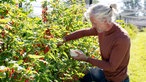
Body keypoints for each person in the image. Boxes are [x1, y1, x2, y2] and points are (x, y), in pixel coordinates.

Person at [58, 3, 131, 82]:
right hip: (105, 74)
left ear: (105, 20)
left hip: (117, 80)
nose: (93, 26)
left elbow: (111, 67)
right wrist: (64, 39)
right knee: (82, 75)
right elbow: (84, 32)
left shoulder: (122, 39)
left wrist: (86, 59)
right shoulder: (102, 29)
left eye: (95, 23)